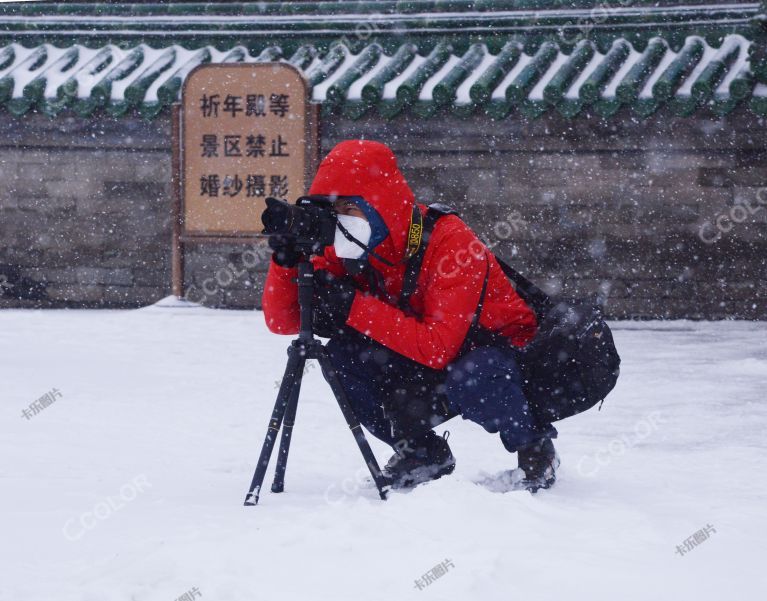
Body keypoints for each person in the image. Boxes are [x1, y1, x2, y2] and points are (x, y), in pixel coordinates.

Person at [262, 140, 559, 492]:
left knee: (475, 375)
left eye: (350, 209)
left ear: (380, 206)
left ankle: (534, 447)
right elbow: (283, 321)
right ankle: (420, 453)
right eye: (334, 210)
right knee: (344, 358)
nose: (341, 221)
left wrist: (352, 304)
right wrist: (286, 262)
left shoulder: (452, 243)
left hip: (502, 354)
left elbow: (438, 347)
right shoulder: (351, 243)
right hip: (431, 354)